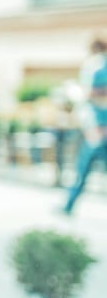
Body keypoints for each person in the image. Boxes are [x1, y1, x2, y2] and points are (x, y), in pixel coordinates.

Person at [63, 35, 107, 214]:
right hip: (99, 125)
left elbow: (90, 94)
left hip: (97, 126)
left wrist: (76, 93)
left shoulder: (95, 66)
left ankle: (69, 204)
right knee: (84, 165)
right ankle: (69, 204)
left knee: (84, 166)